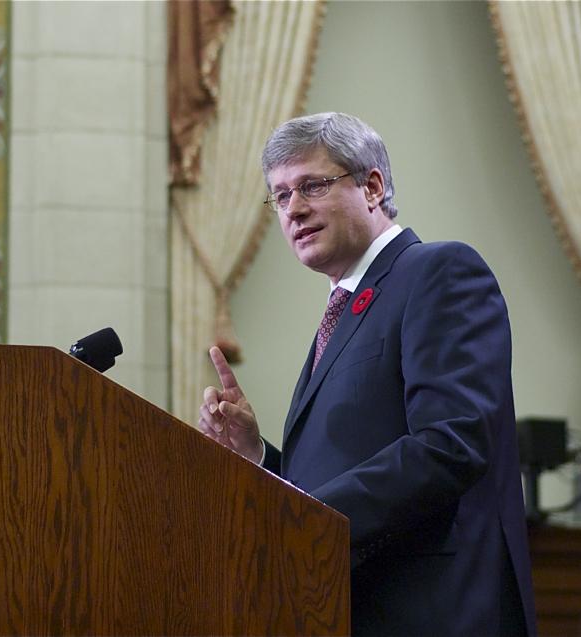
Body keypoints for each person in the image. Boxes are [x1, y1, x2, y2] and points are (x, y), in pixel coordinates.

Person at [198, 112, 537, 636]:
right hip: (345, 607)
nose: (294, 210)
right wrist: (258, 458)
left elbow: (451, 443)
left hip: (432, 611)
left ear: (372, 185)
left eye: (311, 185)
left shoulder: (438, 271)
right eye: (281, 195)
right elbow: (335, 470)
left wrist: (306, 519)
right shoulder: (346, 304)